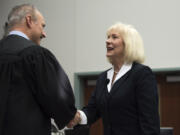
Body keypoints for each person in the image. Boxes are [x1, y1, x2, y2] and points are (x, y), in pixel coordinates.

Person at [68, 22, 160, 135]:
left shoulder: (141, 74)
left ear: (128, 43)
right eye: (108, 37)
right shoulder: (103, 77)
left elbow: (150, 121)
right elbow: (93, 110)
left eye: (114, 37)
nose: (107, 41)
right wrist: (77, 116)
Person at [0, 4, 77, 135]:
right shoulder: (36, 55)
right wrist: (70, 116)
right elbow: (58, 96)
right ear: (29, 20)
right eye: (42, 26)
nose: (44, 34)